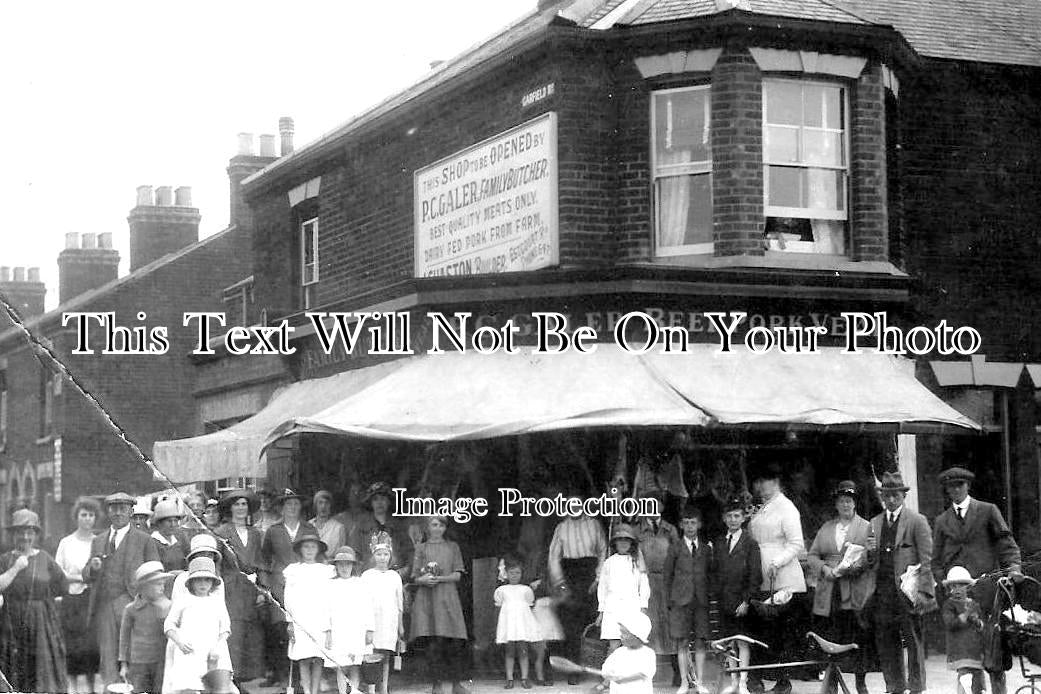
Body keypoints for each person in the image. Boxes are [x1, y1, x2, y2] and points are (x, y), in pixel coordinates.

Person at [932, 467, 1022, 694]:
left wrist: (1013, 569)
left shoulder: (988, 511)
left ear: (968, 486)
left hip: (987, 595)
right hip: (959, 600)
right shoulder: (942, 521)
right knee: (966, 662)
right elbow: (935, 560)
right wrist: (946, 585)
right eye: (951, 487)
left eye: (959, 485)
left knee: (994, 657)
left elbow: (1007, 544)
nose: (955, 490)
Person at [865, 471, 936, 694]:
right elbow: (871, 562)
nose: (891, 500)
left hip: (907, 592)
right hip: (883, 593)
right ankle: (894, 687)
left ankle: (916, 688)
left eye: (895, 495)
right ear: (882, 498)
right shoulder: (875, 523)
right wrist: (868, 554)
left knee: (914, 642)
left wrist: (925, 592)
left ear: (903, 496)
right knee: (886, 642)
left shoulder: (917, 521)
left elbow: (927, 559)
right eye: (887, 496)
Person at [83, 491, 160, 687]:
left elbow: (156, 572)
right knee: (108, 654)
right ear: (108, 511)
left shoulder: (144, 540)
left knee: (132, 652)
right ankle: (110, 689)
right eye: (114, 508)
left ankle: (135, 689)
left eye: (123, 509)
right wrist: (92, 567)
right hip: (104, 604)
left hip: (133, 602)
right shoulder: (98, 540)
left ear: (131, 512)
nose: (118, 513)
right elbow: (86, 574)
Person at [806, 481, 873, 694]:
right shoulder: (827, 527)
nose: (845, 505)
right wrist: (825, 569)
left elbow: (870, 556)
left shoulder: (866, 526)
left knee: (856, 634)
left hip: (853, 588)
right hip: (830, 590)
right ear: (836, 504)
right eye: (841, 501)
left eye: (849, 501)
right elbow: (812, 555)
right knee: (831, 635)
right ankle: (832, 683)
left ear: (855, 504)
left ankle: (860, 682)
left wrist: (850, 568)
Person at [747, 464, 806, 694]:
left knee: (780, 631)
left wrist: (777, 561)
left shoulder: (787, 508)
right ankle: (758, 678)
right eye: (759, 481)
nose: (761, 486)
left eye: (767, 481)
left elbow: (797, 544)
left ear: (777, 482)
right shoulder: (763, 507)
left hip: (782, 577)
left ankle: (783, 681)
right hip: (761, 577)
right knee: (762, 629)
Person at [0, 508, 69, 693]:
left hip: (41, 623)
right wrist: (15, 568)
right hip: (11, 622)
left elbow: (62, 585)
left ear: (35, 534)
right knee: (14, 669)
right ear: (13, 534)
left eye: (29, 532)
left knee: (41, 672)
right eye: (20, 532)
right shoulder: (5, 560)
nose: (25, 536)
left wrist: (43, 600)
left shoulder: (45, 558)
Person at [260, 488, 317, 688]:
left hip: (305, 585)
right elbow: (265, 560)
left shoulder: (309, 529)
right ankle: (281, 675)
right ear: (281, 508)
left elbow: (317, 556)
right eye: (288, 504)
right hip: (280, 584)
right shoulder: (273, 531)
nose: (292, 508)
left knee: (304, 628)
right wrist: (267, 586)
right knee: (280, 628)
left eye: (296, 504)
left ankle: (302, 680)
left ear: (300, 507)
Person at [547, 501, 607, 684]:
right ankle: (574, 670)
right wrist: (561, 583)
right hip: (570, 575)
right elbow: (553, 556)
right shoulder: (562, 527)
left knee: (590, 622)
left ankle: (596, 668)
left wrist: (597, 579)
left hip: (590, 573)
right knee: (571, 625)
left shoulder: (594, 524)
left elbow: (603, 551)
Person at [410, 515, 470, 694]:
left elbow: (458, 575)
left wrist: (439, 578)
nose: (436, 528)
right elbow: (414, 576)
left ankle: (456, 684)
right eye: (433, 525)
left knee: (454, 642)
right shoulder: (421, 548)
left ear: (445, 528)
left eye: (440, 525)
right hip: (428, 598)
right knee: (433, 642)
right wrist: (423, 580)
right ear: (427, 527)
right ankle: (436, 685)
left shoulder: (452, 547)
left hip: (448, 597)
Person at [214, 488, 266, 686]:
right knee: (233, 627)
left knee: (252, 628)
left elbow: (260, 562)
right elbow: (217, 562)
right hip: (231, 586)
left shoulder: (255, 534)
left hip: (251, 587)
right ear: (230, 508)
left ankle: (249, 676)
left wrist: (262, 590)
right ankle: (231, 675)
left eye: (244, 504)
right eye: (237, 504)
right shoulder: (221, 533)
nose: (241, 508)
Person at [162, 556, 233, 694]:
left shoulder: (216, 602)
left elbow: (225, 628)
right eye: (198, 580)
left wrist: (218, 646)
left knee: (213, 688)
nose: (203, 584)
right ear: (191, 582)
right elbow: (169, 625)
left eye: (207, 580)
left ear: (213, 582)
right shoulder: (183, 600)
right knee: (189, 688)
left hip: (212, 651)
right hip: (189, 652)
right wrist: (180, 642)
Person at [713, 496, 762, 694]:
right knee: (729, 642)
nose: (733, 520)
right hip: (725, 599)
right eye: (729, 516)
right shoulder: (719, 542)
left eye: (737, 516)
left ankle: (743, 682)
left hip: (741, 602)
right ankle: (733, 681)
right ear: (724, 519)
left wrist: (746, 600)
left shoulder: (750, 543)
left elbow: (755, 574)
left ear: (743, 519)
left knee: (743, 642)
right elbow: (715, 571)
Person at [55, 496, 102, 693]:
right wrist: (80, 578)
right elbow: (58, 573)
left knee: (91, 646)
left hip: (92, 600)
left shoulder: (99, 542)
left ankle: (91, 687)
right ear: (77, 517)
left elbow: (102, 571)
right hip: (72, 600)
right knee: (72, 645)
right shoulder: (66, 542)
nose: (87, 519)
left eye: (91, 515)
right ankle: (73, 687)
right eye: (84, 515)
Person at [663, 505, 711, 694]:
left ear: (699, 525)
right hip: (680, 601)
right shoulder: (675, 547)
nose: (690, 526)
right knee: (682, 642)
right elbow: (667, 577)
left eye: (693, 523)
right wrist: (669, 601)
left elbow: (710, 574)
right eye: (686, 523)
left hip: (700, 601)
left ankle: (699, 681)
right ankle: (684, 682)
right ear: (681, 525)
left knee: (700, 641)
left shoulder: (706, 549)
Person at [285, 532, 336, 694]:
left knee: (318, 656)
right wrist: (290, 622)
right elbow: (288, 598)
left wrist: (329, 623)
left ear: (318, 550)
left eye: (313, 547)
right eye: (306, 546)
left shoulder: (326, 570)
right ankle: (307, 690)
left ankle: (315, 691)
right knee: (304, 656)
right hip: (300, 617)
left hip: (319, 617)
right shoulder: (293, 570)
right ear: (300, 549)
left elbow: (329, 598)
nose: (309, 550)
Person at [633, 498, 678, 663]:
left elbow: (677, 556)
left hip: (667, 581)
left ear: (662, 506)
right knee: (648, 624)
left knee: (670, 623)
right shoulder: (637, 530)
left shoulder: (670, 530)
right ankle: (648, 669)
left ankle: (676, 670)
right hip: (646, 582)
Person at [325, 545, 375, 694]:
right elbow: (325, 610)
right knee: (341, 665)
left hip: (357, 629)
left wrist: (369, 629)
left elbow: (368, 608)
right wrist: (327, 632)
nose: (344, 568)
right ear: (336, 566)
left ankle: (353, 691)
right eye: (341, 564)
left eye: (348, 564)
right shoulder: (330, 584)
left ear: (353, 566)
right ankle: (342, 691)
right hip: (338, 629)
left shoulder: (360, 584)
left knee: (355, 665)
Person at [118, 561, 172, 694]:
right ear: (144, 587)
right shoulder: (131, 609)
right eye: (158, 584)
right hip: (139, 662)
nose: (162, 588)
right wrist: (124, 665)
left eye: (163, 584)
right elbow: (124, 639)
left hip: (161, 660)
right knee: (139, 690)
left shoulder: (168, 607)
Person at [361, 533, 405, 694]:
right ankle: (371, 688)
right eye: (379, 554)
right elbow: (363, 601)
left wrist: (400, 625)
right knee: (372, 654)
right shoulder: (367, 576)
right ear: (373, 556)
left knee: (386, 654)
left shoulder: (394, 577)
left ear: (390, 556)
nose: (382, 558)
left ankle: (384, 687)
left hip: (389, 620)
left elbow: (399, 603)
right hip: (373, 620)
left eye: (385, 554)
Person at [577, 611, 656, 694]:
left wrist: (622, 679)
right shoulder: (619, 652)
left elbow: (644, 674)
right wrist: (607, 674)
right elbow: (607, 667)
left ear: (638, 636)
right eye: (621, 632)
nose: (621, 635)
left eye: (624, 633)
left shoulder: (647, 654)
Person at [350, 482, 413, 579]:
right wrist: (361, 574)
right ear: (371, 503)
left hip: (394, 578)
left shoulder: (398, 527)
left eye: (383, 499)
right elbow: (354, 553)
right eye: (375, 499)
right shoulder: (360, 526)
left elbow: (409, 552)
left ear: (388, 502)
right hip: (368, 578)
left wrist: (403, 572)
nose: (379, 503)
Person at [495, 557, 540, 689]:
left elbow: (529, 603)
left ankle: (524, 678)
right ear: (506, 574)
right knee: (509, 651)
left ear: (522, 574)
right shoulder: (502, 590)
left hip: (521, 623)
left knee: (523, 650)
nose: (514, 576)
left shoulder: (526, 589)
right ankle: (509, 678)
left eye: (517, 573)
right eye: (512, 573)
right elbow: (500, 605)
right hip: (509, 623)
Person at [941, 566, 986, 694]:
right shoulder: (949, 605)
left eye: (961, 586)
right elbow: (950, 623)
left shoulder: (973, 604)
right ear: (949, 589)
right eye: (953, 586)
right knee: (965, 677)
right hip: (959, 649)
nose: (957, 589)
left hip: (974, 649)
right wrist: (966, 615)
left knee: (978, 679)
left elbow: (981, 626)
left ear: (968, 587)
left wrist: (975, 619)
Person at [150, 498, 188, 572]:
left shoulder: (180, 539)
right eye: (169, 521)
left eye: (175, 521)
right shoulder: (152, 543)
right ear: (159, 523)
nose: (173, 524)